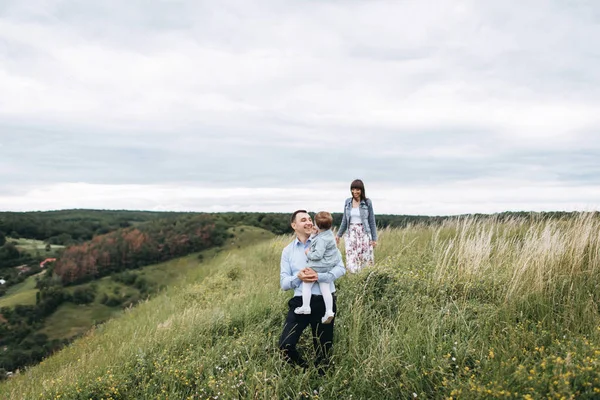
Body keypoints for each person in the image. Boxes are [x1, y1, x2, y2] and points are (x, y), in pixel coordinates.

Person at [279, 210, 346, 372]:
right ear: (294, 226)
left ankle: (321, 380)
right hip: (300, 301)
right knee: (285, 345)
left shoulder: (326, 241)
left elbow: (341, 269)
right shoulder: (288, 251)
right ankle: (305, 370)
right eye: (303, 220)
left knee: (323, 352)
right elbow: (284, 283)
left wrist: (320, 276)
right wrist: (299, 277)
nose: (309, 222)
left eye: (310, 219)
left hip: (324, 302)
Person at [294, 211, 339, 324]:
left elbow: (317, 255)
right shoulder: (329, 235)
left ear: (317, 225)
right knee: (326, 289)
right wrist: (315, 234)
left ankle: (305, 306)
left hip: (316, 266)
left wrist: (308, 253)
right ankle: (329, 311)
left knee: (306, 285)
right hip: (327, 267)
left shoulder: (320, 239)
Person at [336, 179, 377, 273]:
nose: (355, 192)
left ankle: (364, 278)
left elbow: (372, 221)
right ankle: (353, 278)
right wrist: (338, 235)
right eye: (353, 189)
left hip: (364, 232)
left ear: (362, 190)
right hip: (351, 233)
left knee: (365, 257)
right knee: (351, 257)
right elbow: (344, 220)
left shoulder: (367, 202)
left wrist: (374, 239)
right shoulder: (348, 202)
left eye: (358, 189)